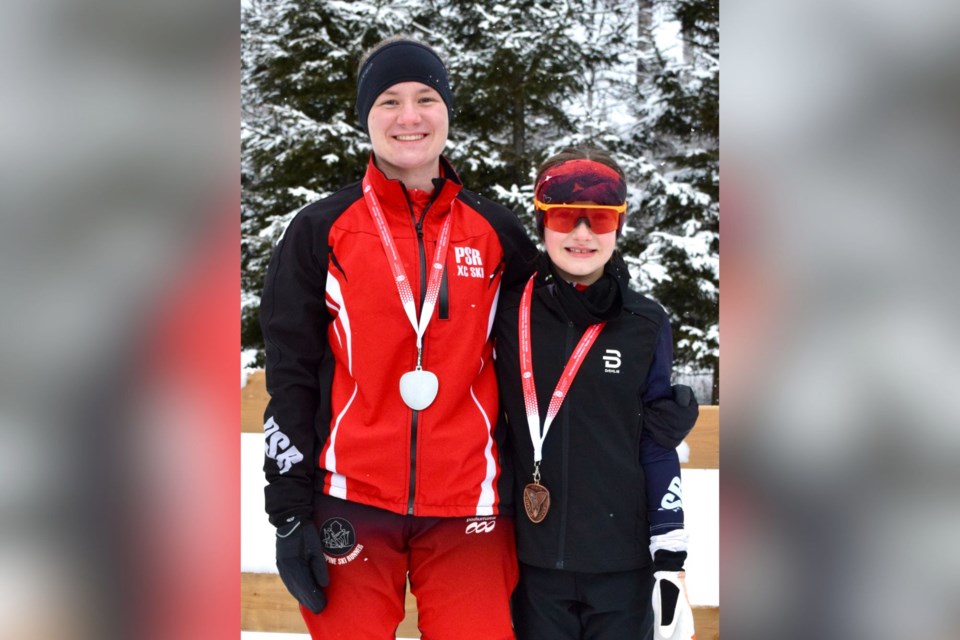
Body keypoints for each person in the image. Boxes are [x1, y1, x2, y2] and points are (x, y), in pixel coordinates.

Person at [259, 36, 537, 639]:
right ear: (365, 118)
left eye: (425, 98)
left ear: (447, 112)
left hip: (473, 507)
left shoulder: (496, 234)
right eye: (388, 101)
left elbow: (549, 345)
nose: (408, 117)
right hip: (350, 502)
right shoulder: (319, 232)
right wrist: (287, 512)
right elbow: (291, 376)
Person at [494, 147, 700, 639]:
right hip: (531, 563)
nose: (582, 233)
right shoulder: (506, 312)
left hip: (620, 567)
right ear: (542, 222)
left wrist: (669, 554)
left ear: (618, 226)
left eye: (600, 218)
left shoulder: (644, 323)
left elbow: (656, 441)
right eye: (565, 216)